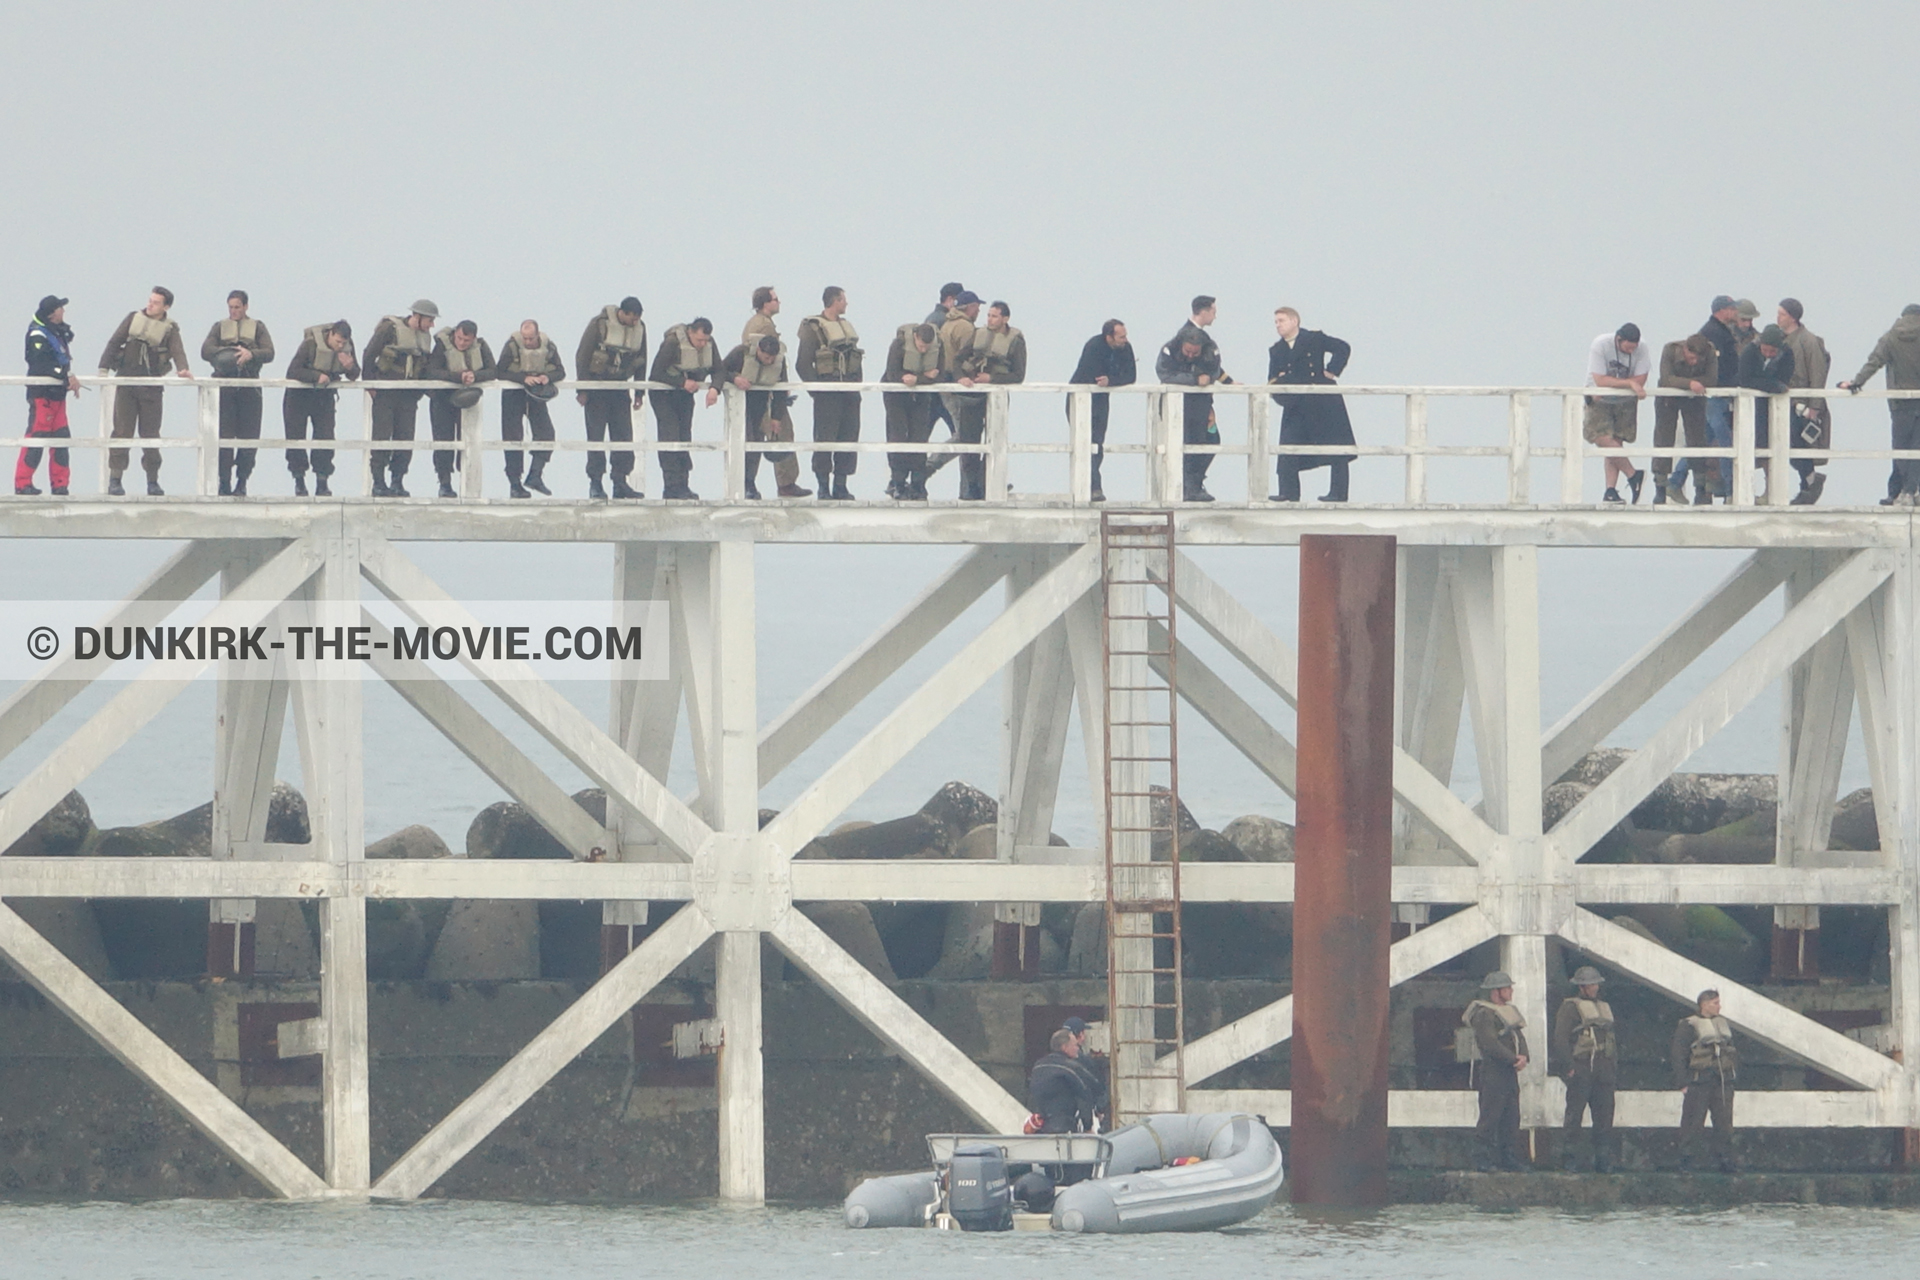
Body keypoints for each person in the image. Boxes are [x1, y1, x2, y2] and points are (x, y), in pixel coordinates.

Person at [98, 286, 193, 496]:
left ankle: (152, 480)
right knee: (122, 431)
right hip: (126, 383)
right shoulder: (133, 318)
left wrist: (183, 368)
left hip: (151, 387)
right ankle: (115, 479)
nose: (150, 305)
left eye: (156, 302)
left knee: (150, 434)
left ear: (166, 307)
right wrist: (103, 368)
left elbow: (178, 349)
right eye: (150, 301)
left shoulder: (170, 328)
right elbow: (114, 342)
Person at [1270, 307, 1356, 503]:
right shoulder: (1276, 350)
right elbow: (1272, 380)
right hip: (1295, 405)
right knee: (1288, 447)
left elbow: (1343, 347)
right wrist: (1284, 397)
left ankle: (1338, 493)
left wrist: (1331, 370)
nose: (1277, 325)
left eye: (1281, 320)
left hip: (1323, 400)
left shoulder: (1314, 338)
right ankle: (1288, 493)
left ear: (1294, 321)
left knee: (1337, 448)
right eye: (1276, 322)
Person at [1839, 303, 1920, 506]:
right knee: (1917, 447)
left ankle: (1896, 493)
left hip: (1899, 401)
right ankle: (1911, 491)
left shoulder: (1891, 336)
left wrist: (1856, 382)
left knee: (1900, 447)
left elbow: (1874, 362)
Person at [200, 290, 275, 497]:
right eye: (231, 307)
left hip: (249, 386)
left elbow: (270, 352)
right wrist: (228, 355)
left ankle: (242, 481)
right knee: (223, 435)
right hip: (225, 387)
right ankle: (224, 481)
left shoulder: (258, 328)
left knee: (248, 436)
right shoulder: (219, 327)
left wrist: (251, 354)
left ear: (245, 307)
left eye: (237, 307)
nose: (233, 311)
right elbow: (205, 350)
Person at [574, 297, 648, 500]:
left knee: (624, 436)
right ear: (622, 313)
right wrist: (582, 389)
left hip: (620, 389)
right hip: (597, 388)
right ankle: (596, 483)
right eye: (631, 317)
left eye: (637, 318)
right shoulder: (599, 325)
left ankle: (620, 481)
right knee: (596, 437)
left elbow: (642, 360)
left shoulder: (640, 329)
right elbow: (582, 355)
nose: (634, 322)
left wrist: (640, 392)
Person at [363, 300, 439, 497]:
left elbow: (425, 365)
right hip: (386, 392)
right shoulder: (390, 329)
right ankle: (378, 482)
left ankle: (398, 480)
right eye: (429, 320)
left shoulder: (425, 338)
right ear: (418, 316)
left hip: (408, 395)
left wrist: (420, 392)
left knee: (405, 439)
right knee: (381, 437)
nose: (432, 325)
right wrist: (369, 383)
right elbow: (369, 354)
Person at [798, 286, 865, 499]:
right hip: (827, 393)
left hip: (850, 393)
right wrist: (817, 391)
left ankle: (841, 485)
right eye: (843, 299)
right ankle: (823, 487)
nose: (846, 303)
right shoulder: (813, 328)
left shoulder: (846, 326)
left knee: (848, 438)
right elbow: (803, 364)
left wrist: (857, 386)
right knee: (825, 439)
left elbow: (856, 359)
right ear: (834, 301)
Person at [648, 318, 722, 500]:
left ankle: (683, 484)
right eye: (699, 341)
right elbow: (656, 373)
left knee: (684, 436)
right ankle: (671, 486)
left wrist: (715, 389)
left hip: (685, 396)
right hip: (664, 395)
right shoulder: (673, 343)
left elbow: (719, 370)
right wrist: (682, 382)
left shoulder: (709, 344)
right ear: (690, 332)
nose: (702, 344)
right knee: (670, 436)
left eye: (705, 341)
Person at [282, 320, 357, 497]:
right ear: (330, 334)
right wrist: (316, 376)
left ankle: (322, 482)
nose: (340, 346)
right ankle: (299, 481)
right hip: (299, 396)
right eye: (337, 341)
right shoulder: (310, 344)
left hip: (324, 397)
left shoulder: (347, 347)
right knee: (296, 438)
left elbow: (355, 374)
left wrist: (350, 367)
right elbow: (293, 371)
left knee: (325, 437)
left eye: (343, 343)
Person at [1552, 966, 1617, 1172]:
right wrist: (1569, 1067)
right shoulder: (1570, 1008)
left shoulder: (1604, 1007)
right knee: (1574, 1115)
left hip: (1603, 1068)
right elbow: (1560, 1039)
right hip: (1581, 1067)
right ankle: (1569, 1157)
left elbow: (1611, 1040)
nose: (1595, 987)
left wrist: (1613, 1068)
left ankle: (1603, 1159)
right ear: (1581, 987)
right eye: (1591, 984)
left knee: (1604, 1115)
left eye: (1596, 983)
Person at [743, 286, 805, 497]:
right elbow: (772, 360)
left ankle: (756, 484)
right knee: (780, 432)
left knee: (766, 435)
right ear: (765, 303)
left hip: (763, 390)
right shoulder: (762, 326)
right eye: (775, 299)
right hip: (767, 391)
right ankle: (785, 483)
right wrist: (781, 389)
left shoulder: (759, 324)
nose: (779, 302)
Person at [1464, 969, 1529, 1171]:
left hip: (1509, 1073)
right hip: (1493, 1072)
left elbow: (1519, 1038)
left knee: (1511, 1116)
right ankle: (1481, 1158)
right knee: (1490, 1116)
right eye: (1507, 988)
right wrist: (1512, 1059)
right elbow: (1489, 1043)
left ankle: (1507, 1157)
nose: (1511, 991)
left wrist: (1524, 1057)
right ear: (1495, 991)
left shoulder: (1508, 1012)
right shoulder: (1484, 1014)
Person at [1157, 319, 1228, 502]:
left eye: (1194, 353)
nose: (1190, 355)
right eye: (1187, 351)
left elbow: (1214, 371)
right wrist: (1194, 379)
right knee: (1183, 445)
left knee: (1210, 441)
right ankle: (1185, 488)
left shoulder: (1211, 351)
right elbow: (1165, 375)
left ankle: (1195, 485)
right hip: (1174, 406)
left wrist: (1209, 379)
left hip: (1201, 405)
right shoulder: (1169, 350)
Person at [425, 319, 497, 499]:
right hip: (442, 400)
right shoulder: (442, 345)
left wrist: (476, 376)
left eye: (466, 340)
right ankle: (445, 483)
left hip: (468, 401)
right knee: (443, 440)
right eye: (459, 338)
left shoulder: (481, 346)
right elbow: (432, 371)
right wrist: (457, 377)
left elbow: (493, 371)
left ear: (473, 338)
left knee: (467, 440)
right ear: (455, 333)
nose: (461, 343)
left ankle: (467, 478)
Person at [1066, 319, 1136, 502]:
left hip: (1101, 400)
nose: (1125, 340)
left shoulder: (1125, 348)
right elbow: (1093, 375)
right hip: (1079, 399)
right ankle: (1091, 487)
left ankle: (1093, 486)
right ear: (1109, 337)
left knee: (1097, 444)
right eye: (1121, 337)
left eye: (1125, 335)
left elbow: (1131, 376)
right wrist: (1110, 378)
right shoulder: (1094, 346)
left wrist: (1111, 380)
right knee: (1084, 442)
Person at [1671, 988, 1739, 1173]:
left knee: (1724, 1123)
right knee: (1692, 1123)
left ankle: (1726, 1159)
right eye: (1715, 1003)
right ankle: (1686, 1160)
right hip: (1698, 1081)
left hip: (1722, 1081)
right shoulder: (1688, 1025)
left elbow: (1731, 1052)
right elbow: (1679, 1054)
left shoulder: (1722, 1024)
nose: (1719, 1006)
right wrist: (1682, 1083)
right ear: (1704, 1005)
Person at [17, 295, 79, 497]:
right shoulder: (37, 334)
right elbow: (39, 364)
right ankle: (23, 483)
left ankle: (60, 485)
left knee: (61, 438)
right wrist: (66, 376)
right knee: (37, 436)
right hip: (41, 395)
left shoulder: (56, 332)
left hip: (58, 395)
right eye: (61, 308)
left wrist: (66, 377)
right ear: (52, 313)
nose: (64, 312)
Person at [496, 320, 564, 498]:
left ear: (537, 335)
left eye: (531, 339)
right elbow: (499, 371)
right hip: (513, 394)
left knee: (546, 432)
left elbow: (560, 371)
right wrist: (522, 378)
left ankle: (535, 475)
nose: (527, 342)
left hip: (536, 394)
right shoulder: (511, 346)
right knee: (513, 437)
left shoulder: (549, 347)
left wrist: (546, 377)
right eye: (524, 338)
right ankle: (515, 483)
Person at [1582, 324, 1648, 504]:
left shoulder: (1642, 348)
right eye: (1627, 348)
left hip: (1623, 400)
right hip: (1599, 398)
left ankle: (1610, 490)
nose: (1631, 351)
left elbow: (1641, 379)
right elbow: (1600, 379)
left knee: (1616, 443)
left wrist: (1626, 385)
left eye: (1633, 348)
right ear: (1619, 340)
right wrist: (1629, 384)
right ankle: (1633, 474)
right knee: (1599, 437)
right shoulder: (1601, 345)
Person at [1687, 295, 1743, 501]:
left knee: (1704, 441)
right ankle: (1731, 491)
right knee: (1725, 440)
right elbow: (1717, 367)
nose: (1735, 313)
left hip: (1718, 395)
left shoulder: (1718, 332)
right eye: (1732, 309)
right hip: (1714, 396)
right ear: (1723, 310)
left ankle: (1675, 482)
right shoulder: (1712, 334)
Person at [1776, 299, 1831, 504]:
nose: (1778, 317)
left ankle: (1809, 483)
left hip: (1803, 405)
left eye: (1781, 314)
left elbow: (1817, 374)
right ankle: (1809, 482)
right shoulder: (1780, 340)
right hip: (1785, 402)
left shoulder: (1808, 341)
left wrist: (1814, 406)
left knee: (1797, 444)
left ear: (1792, 316)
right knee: (1787, 444)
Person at [723, 334, 790, 499]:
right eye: (766, 357)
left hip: (760, 406)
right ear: (759, 350)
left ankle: (750, 482)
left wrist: (776, 418)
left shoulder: (779, 362)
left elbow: (781, 390)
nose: (769, 361)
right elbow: (720, 369)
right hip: (739, 404)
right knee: (743, 440)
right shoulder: (741, 353)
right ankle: (740, 483)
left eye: (771, 358)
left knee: (756, 443)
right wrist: (735, 378)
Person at [1655, 334, 1719, 505]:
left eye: (1699, 359)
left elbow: (1712, 379)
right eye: (1691, 357)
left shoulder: (1710, 351)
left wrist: (1688, 384)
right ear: (1685, 350)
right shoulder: (1670, 349)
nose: (1695, 362)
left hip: (1695, 398)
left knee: (1697, 439)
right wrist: (1690, 384)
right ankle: (1660, 488)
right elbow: (1666, 378)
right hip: (1668, 398)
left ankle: (1700, 489)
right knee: (1663, 438)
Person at [882, 322, 942, 500]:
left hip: (921, 397)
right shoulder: (899, 344)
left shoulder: (939, 347)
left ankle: (918, 483)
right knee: (898, 436)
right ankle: (898, 483)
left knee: (919, 437)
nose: (924, 350)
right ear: (915, 337)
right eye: (921, 346)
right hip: (896, 397)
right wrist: (907, 377)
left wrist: (917, 379)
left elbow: (939, 374)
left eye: (927, 347)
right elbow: (892, 373)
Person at [937, 291, 987, 498]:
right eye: (977, 307)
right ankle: (929, 469)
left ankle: (973, 485)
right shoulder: (966, 328)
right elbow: (969, 358)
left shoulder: (947, 324)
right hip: (959, 386)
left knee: (965, 436)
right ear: (970, 307)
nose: (979, 311)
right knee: (965, 437)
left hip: (945, 383)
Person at [1741, 324, 1797, 500]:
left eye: (1772, 351)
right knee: (1745, 445)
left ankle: (1769, 490)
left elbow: (1784, 379)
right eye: (1765, 350)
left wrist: (1772, 385)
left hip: (1771, 410)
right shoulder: (1750, 351)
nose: (1767, 354)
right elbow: (1744, 379)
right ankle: (1743, 489)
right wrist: (1772, 386)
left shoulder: (1787, 355)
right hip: (1748, 408)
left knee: (1771, 445)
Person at [1027, 1028, 1095, 1135]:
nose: (1078, 1048)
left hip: (1039, 1127)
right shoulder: (1071, 1067)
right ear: (1065, 1047)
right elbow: (1084, 1097)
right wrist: (1088, 1127)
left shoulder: (1038, 1066)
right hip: (1064, 1128)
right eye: (1075, 1045)